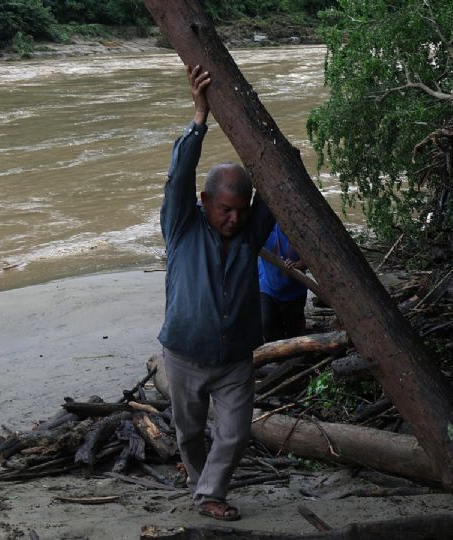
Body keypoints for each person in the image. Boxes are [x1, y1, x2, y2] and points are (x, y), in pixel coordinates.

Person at [158, 64, 274, 522]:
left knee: (235, 431)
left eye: (239, 211)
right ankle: (199, 481)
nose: (233, 219)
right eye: (224, 210)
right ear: (205, 203)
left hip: (234, 356)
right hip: (184, 353)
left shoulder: (249, 233)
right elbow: (177, 180)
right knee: (188, 433)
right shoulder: (183, 226)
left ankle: (210, 494)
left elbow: (273, 189)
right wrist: (199, 118)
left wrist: (270, 146)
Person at [258, 223, 309, 341]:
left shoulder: (300, 229)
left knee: (294, 333)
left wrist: (297, 265)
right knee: (267, 325)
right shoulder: (266, 227)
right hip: (267, 287)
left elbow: (309, 259)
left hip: (295, 291)